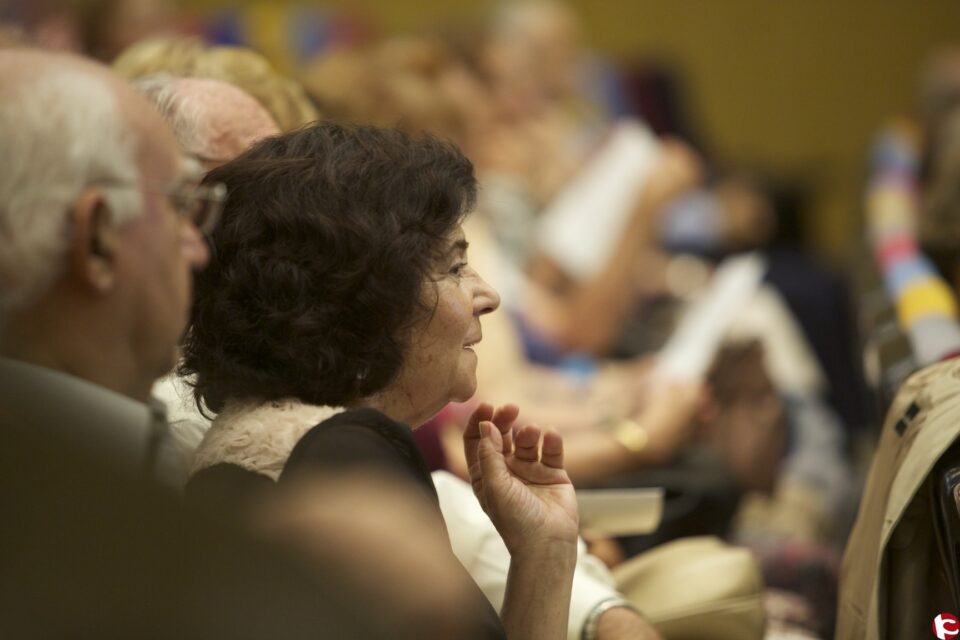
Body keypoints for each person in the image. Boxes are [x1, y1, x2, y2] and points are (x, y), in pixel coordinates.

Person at [181, 122, 580, 640]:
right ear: (367, 297)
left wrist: (544, 550)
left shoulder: (278, 437)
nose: (487, 295)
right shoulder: (344, 452)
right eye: (456, 266)